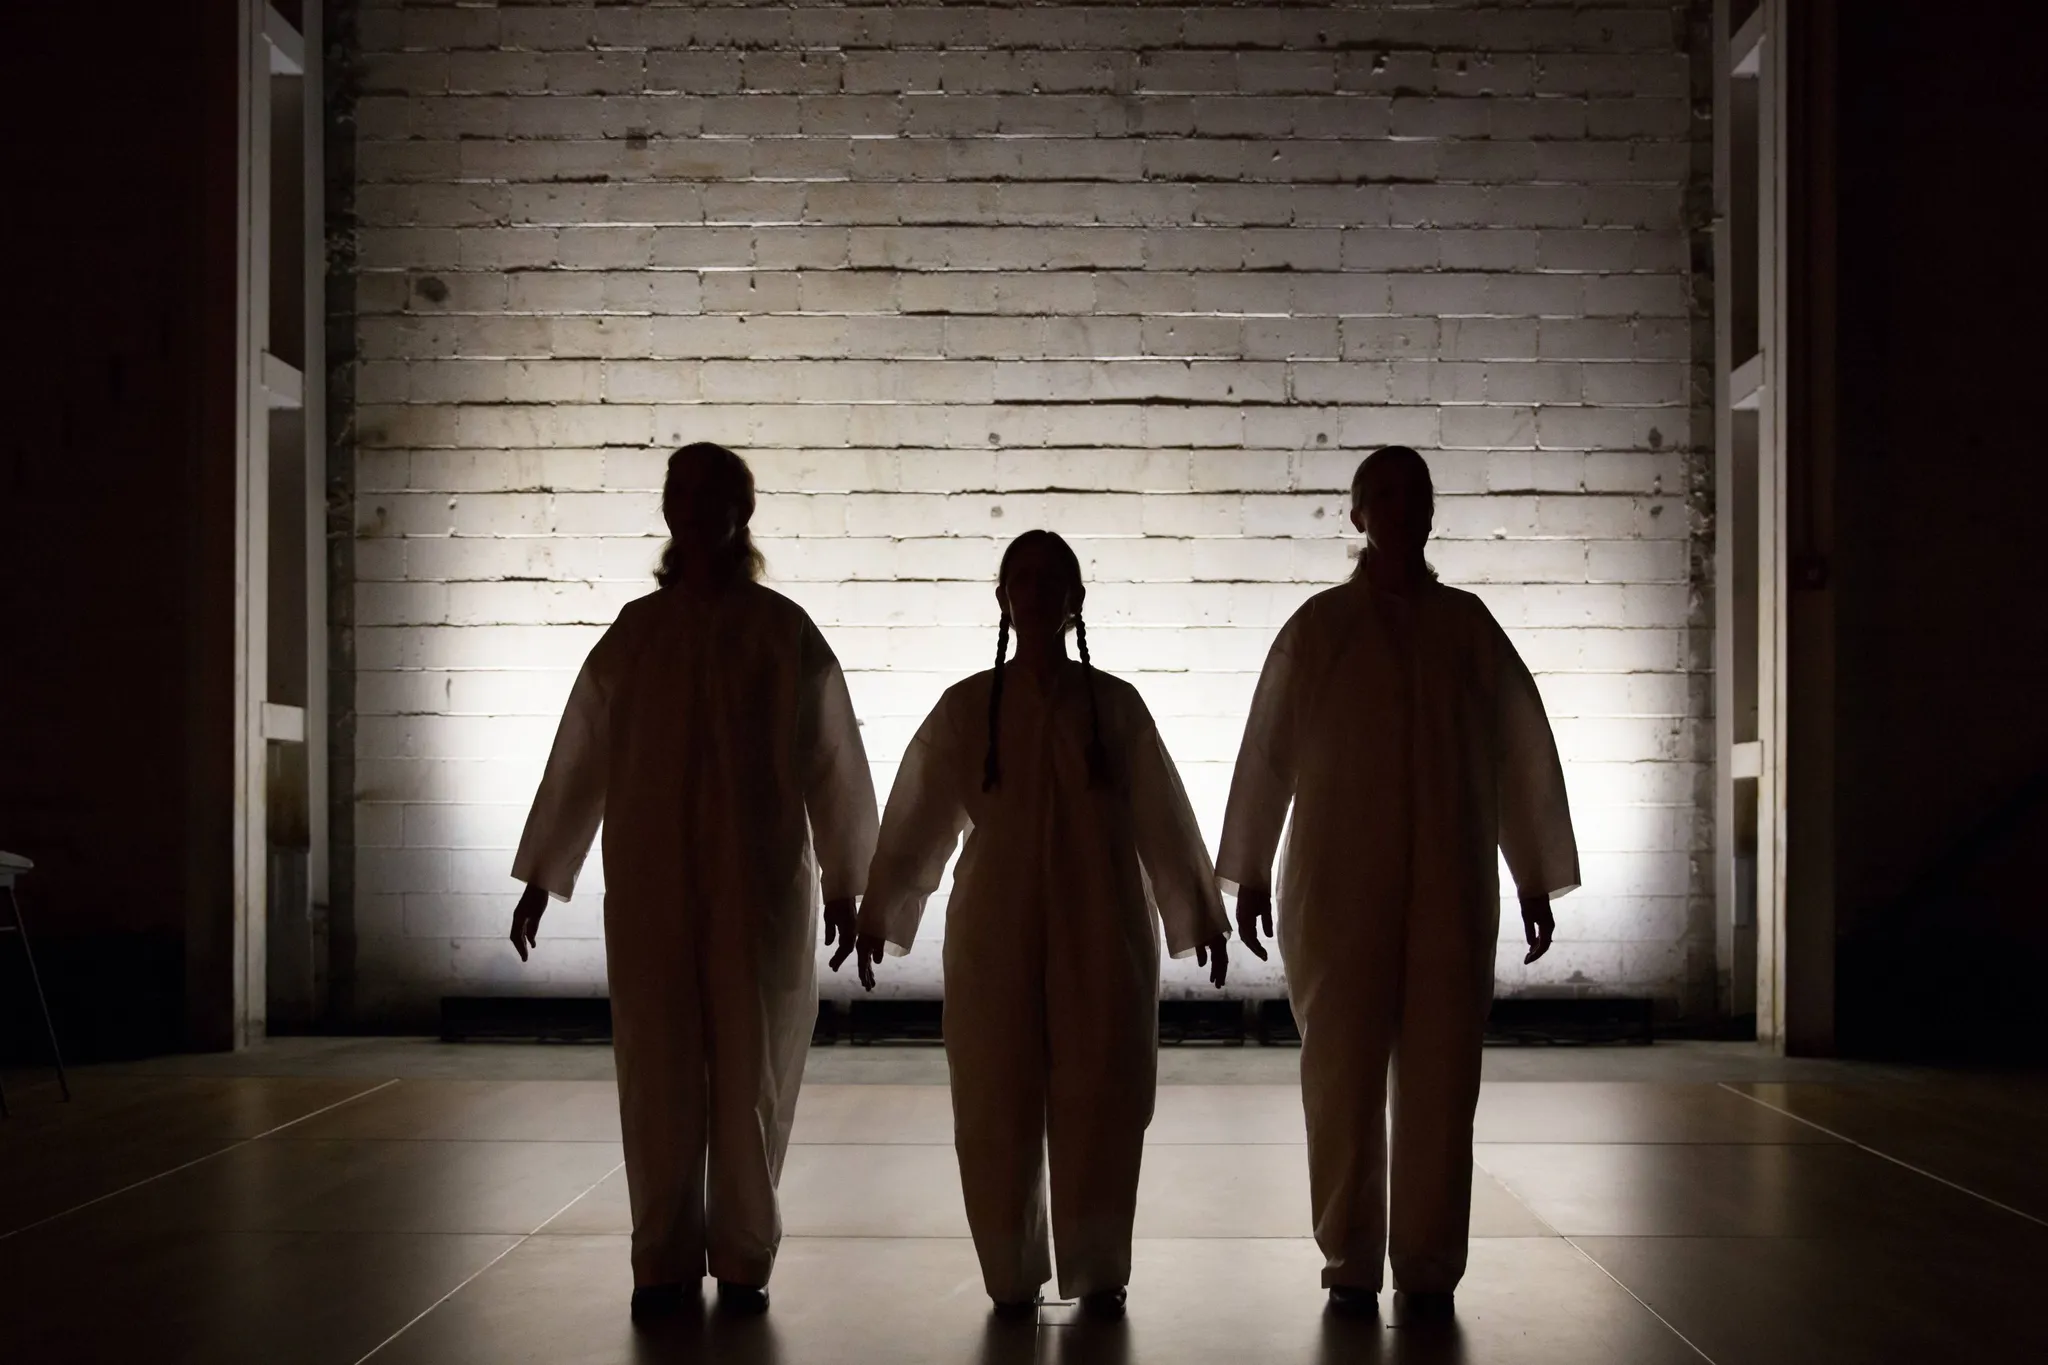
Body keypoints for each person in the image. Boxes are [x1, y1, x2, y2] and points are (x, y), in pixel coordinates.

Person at [506, 443, 879, 1321]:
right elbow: (583, 757)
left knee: (753, 1065)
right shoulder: (638, 633)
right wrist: (543, 872)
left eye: (716, 493)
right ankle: (663, 1256)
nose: (699, 506)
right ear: (670, 508)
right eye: (685, 491)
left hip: (759, 888)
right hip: (651, 884)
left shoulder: (784, 633)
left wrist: (848, 883)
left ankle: (744, 1253)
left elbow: (833, 760)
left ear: (742, 510)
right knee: (659, 1065)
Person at [1216, 445, 1579, 1320]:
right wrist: (1251, 867)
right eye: (1381, 494)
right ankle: (1349, 1258)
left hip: (1450, 887)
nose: (1397, 509)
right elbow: (1269, 751)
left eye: (1412, 494)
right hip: (1338, 887)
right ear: (1356, 515)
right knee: (1339, 1070)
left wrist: (1531, 873)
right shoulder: (1319, 630)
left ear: (1428, 512)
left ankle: (1426, 1262)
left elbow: (1520, 754)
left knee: (1442, 1077)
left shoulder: (1467, 629)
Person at [847, 530, 1230, 1321]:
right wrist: (879, 911)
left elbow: (1163, 815)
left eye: (1052, 579)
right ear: (1003, 596)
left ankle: (1097, 1267)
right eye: (1022, 578)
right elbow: (918, 816)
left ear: (1074, 599)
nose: (1035, 592)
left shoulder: (1114, 708)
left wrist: (1198, 911)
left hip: (1103, 921)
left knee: (1104, 1092)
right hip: (996, 922)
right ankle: (1010, 1272)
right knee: (993, 1093)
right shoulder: (967, 708)